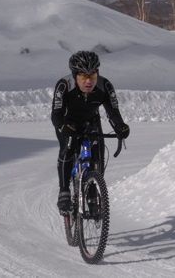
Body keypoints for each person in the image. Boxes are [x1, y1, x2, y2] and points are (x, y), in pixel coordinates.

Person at [51, 50, 130, 213]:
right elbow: (56, 115)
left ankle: (93, 192)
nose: (89, 81)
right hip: (68, 121)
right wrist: (63, 126)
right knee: (69, 148)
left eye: (92, 76)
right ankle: (64, 191)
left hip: (91, 121)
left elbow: (113, 111)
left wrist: (120, 126)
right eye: (83, 76)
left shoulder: (104, 85)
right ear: (75, 75)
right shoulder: (63, 85)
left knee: (98, 155)